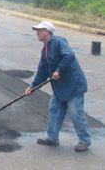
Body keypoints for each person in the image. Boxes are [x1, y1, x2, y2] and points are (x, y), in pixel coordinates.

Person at [25, 21, 91, 152]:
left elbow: (69, 55)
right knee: (54, 110)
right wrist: (32, 87)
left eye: (39, 30)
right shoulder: (45, 50)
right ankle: (52, 138)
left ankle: (84, 140)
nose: (37, 33)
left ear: (48, 32)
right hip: (60, 88)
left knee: (76, 113)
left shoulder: (58, 41)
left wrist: (58, 70)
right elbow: (42, 72)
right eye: (36, 30)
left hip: (73, 86)